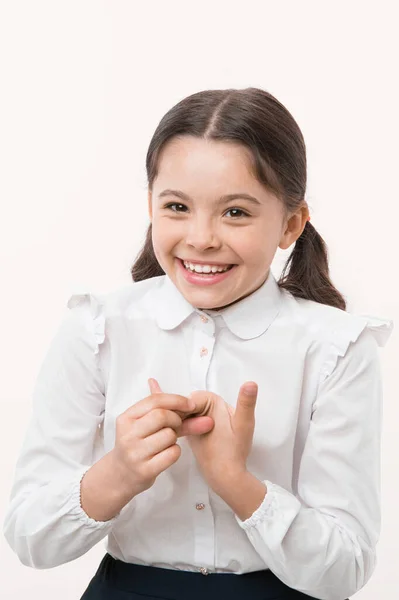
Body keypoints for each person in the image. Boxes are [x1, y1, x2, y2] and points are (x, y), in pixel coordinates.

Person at [3, 87, 393, 600]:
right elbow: (30, 539)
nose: (202, 237)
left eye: (236, 212)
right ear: (150, 206)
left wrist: (236, 481)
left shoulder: (336, 349)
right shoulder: (97, 329)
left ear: (291, 224)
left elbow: (344, 569)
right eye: (177, 206)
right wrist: (118, 473)